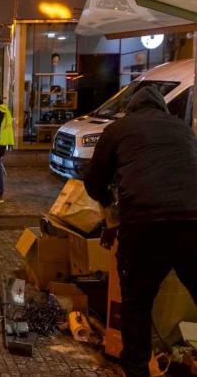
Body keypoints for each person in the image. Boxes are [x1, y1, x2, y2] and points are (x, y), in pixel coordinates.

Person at [83, 87, 197, 377]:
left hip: (144, 225)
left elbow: (94, 182)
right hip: (193, 222)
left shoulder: (119, 128)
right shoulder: (182, 129)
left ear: (131, 109)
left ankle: (136, 370)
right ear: (162, 108)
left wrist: (110, 209)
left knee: (137, 303)